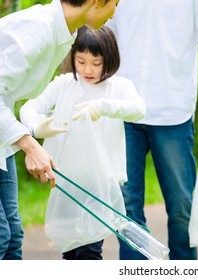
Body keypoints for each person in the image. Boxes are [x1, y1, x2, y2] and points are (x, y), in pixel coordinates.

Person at [106, 0, 198, 260]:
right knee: (127, 207)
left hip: (173, 112)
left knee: (182, 207)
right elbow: (104, 35)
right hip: (124, 109)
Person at [0, 0, 119, 260]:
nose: (115, 11)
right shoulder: (37, 29)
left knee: (12, 238)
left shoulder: (64, 34)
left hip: (1, 143)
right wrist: (29, 144)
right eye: (116, 3)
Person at [20, 25, 146, 260]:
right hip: (67, 179)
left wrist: (103, 106)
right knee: (70, 247)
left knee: (89, 247)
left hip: (100, 181)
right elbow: (29, 107)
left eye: (96, 63)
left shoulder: (118, 86)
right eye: (81, 61)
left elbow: (139, 109)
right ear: (73, 57)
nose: (88, 69)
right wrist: (36, 126)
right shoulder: (64, 84)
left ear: (109, 60)